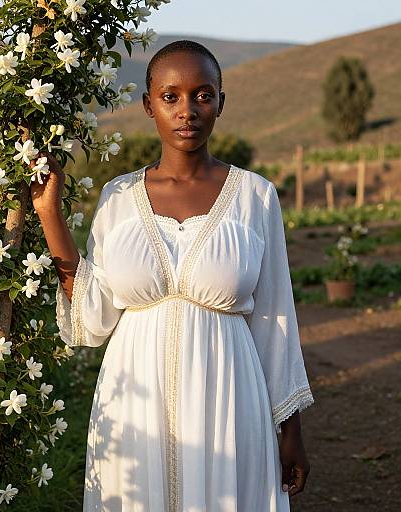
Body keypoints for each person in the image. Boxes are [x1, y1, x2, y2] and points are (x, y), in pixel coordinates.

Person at [31, 39, 314, 512]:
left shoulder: (255, 197)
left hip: (229, 400)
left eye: (203, 95)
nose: (188, 110)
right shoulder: (118, 197)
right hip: (133, 402)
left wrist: (291, 432)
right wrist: (49, 215)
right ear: (148, 105)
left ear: (221, 102)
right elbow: (92, 312)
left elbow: (276, 320)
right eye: (171, 96)